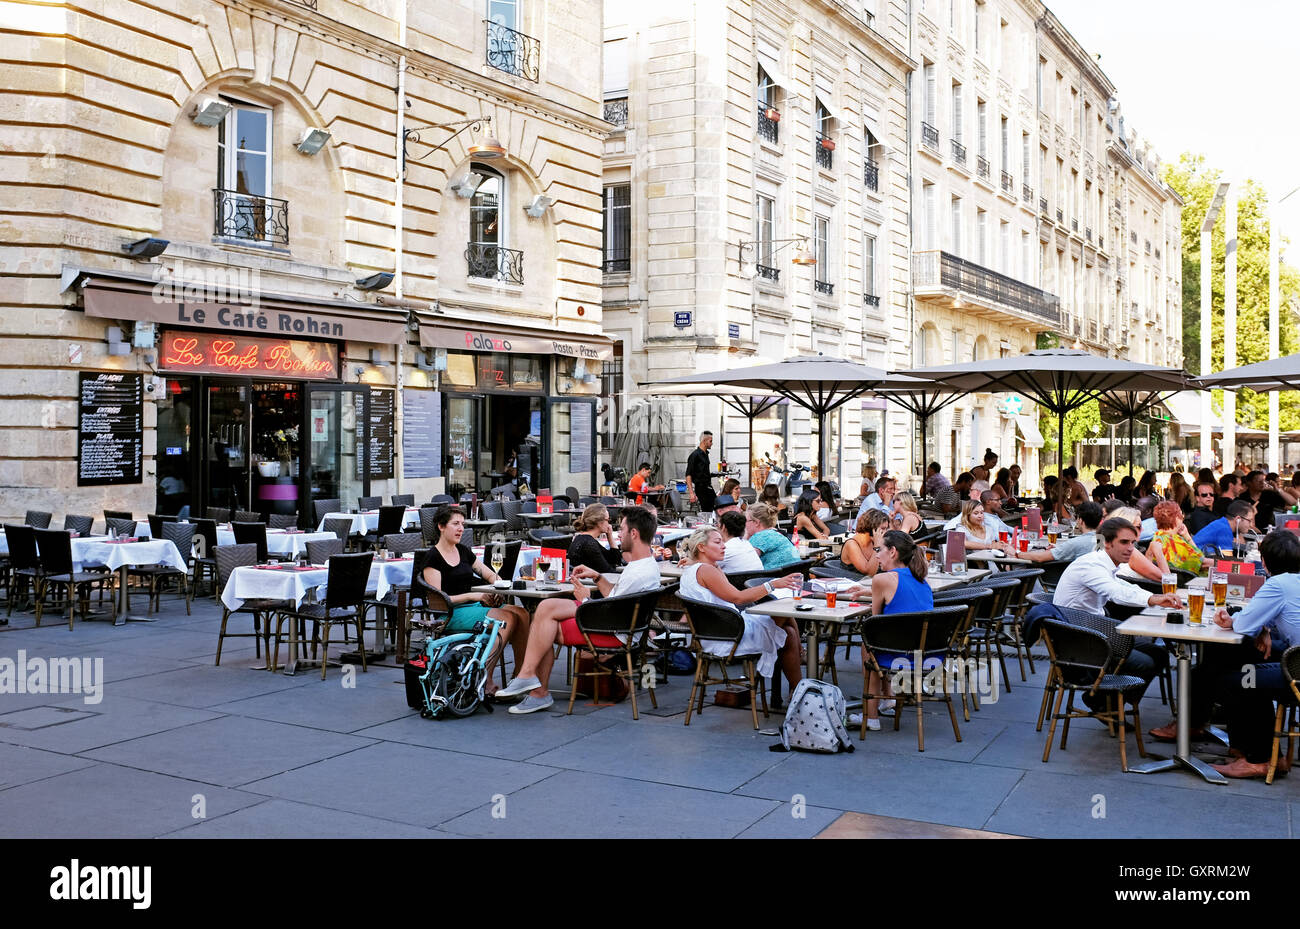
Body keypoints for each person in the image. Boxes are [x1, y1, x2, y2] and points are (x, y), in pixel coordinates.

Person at [1149, 530, 1300, 778]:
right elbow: (1265, 620)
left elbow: (1241, 625)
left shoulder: (1278, 585)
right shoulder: (1292, 582)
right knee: (1228, 654)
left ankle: (1261, 758)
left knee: (1240, 679)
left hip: (1297, 670)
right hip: (1294, 657)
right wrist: (1262, 626)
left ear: (1263, 562)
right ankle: (1220, 736)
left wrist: (1249, 623)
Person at [496, 505, 663, 713]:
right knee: (546, 607)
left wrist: (585, 601)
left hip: (612, 631)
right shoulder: (645, 566)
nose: (618, 533)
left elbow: (611, 613)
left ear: (634, 533)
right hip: (619, 623)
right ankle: (528, 679)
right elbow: (616, 598)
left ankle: (536, 689)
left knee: (543, 626)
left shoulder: (638, 572)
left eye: (621, 529)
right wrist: (597, 577)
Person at [1050, 518, 1179, 699]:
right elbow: (1115, 592)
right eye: (1124, 542)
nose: (1130, 548)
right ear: (1107, 543)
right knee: (1145, 663)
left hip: (1094, 631)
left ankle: (1116, 704)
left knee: (1159, 654)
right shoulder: (1092, 564)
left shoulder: (1104, 563)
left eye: (1133, 542)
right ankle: (1099, 702)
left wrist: (1156, 598)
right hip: (1079, 641)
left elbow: (1123, 585)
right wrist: (1152, 599)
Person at [419, 505, 531, 696]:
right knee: (507, 618)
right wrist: (473, 595)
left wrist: (498, 585)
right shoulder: (433, 558)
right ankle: (485, 677)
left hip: (475, 606)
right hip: (451, 613)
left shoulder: (463, 550)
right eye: (455, 524)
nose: (461, 528)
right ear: (441, 526)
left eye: (462, 524)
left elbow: (488, 573)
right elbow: (440, 599)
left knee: (522, 613)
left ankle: (520, 676)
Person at [677, 527, 804, 691]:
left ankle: (798, 689)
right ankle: (799, 686)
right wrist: (772, 585)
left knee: (787, 628)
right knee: (786, 622)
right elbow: (738, 597)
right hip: (727, 636)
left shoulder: (702, 568)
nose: (724, 546)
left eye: (723, 541)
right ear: (701, 547)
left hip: (715, 631)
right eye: (717, 542)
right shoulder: (706, 570)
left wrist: (693, 560)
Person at [843, 531, 934, 730]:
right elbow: (901, 593)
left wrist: (874, 591)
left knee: (869, 645)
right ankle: (888, 699)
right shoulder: (921, 577)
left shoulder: (882, 579)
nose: (876, 555)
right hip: (928, 652)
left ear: (892, 552)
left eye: (879, 550)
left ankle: (871, 716)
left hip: (900, 653)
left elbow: (875, 623)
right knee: (879, 643)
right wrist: (871, 591)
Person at [1022, 500, 1103, 564]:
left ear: (1081, 520)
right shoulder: (1102, 540)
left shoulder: (1075, 543)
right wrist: (1060, 549)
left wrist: (1017, 554)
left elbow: (1040, 558)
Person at [1146, 500, 1208, 577]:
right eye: (1181, 514)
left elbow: (1199, 557)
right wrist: (1226, 565)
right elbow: (1204, 563)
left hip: (1180, 580)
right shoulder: (1173, 541)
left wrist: (1187, 536)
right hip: (1191, 582)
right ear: (1176, 518)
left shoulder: (1159, 536)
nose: (1183, 517)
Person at [566, 504, 623, 574]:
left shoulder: (584, 539)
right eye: (608, 520)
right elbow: (608, 572)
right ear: (599, 522)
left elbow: (615, 560)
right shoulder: (589, 544)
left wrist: (609, 535)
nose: (609, 524)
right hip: (588, 583)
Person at [744, 502, 800, 570]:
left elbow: (744, 562)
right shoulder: (777, 533)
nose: (744, 524)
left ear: (756, 523)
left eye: (745, 520)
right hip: (793, 575)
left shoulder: (760, 537)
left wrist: (745, 536)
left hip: (775, 577)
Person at [1192, 498, 1257, 556]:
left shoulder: (1222, 524)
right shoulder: (1224, 529)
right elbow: (1227, 561)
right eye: (1249, 520)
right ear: (1238, 519)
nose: (1251, 525)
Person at [841, 509, 889, 576]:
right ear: (872, 528)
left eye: (886, 529)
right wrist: (877, 547)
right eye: (883, 529)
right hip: (857, 582)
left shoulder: (873, 542)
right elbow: (869, 573)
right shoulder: (851, 544)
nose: (885, 532)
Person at [685, 431, 716, 513]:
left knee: (716, 507)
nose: (712, 443)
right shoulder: (695, 455)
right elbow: (688, 475)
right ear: (704, 441)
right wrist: (691, 493)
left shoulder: (706, 454)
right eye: (710, 441)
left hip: (708, 487)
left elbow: (703, 473)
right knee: (707, 511)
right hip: (701, 488)